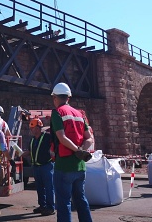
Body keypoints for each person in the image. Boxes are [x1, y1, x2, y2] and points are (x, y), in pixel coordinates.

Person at [50, 82, 94, 222]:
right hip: (80, 166)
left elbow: (62, 137)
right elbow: (90, 138)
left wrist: (76, 150)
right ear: (68, 97)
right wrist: (82, 151)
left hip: (64, 165)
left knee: (64, 203)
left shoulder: (57, 112)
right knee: (81, 200)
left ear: (55, 97)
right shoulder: (80, 114)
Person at [24, 118, 55, 216]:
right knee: (40, 188)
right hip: (36, 167)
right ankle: (42, 206)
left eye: (33, 128)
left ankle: (50, 208)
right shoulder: (33, 140)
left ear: (38, 128)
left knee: (49, 187)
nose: (31, 130)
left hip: (47, 166)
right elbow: (29, 151)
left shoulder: (47, 137)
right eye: (31, 128)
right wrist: (21, 154)